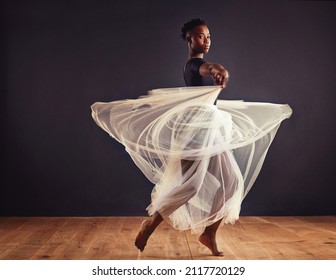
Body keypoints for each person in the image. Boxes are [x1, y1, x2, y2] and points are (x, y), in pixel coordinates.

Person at [91, 19, 292, 257]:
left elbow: (210, 69)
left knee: (232, 183)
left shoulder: (201, 63)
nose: (205, 40)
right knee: (190, 185)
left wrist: (218, 70)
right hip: (194, 132)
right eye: (200, 36)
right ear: (189, 40)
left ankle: (208, 233)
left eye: (208, 36)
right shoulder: (193, 66)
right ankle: (150, 224)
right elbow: (207, 68)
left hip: (212, 130)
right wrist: (220, 69)